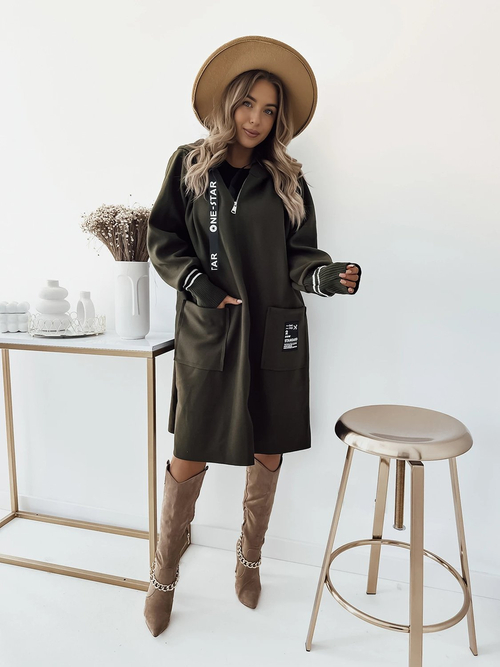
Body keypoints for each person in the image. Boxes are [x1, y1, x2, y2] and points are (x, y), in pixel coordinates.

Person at [144, 35, 362, 637]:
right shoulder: (190, 165)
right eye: (248, 103)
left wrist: (324, 277)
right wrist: (199, 285)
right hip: (210, 330)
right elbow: (163, 238)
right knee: (190, 450)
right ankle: (164, 573)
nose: (256, 119)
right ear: (228, 102)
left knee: (268, 446)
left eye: (269, 109)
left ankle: (249, 558)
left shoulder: (286, 177)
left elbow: (300, 254)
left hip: (273, 329)